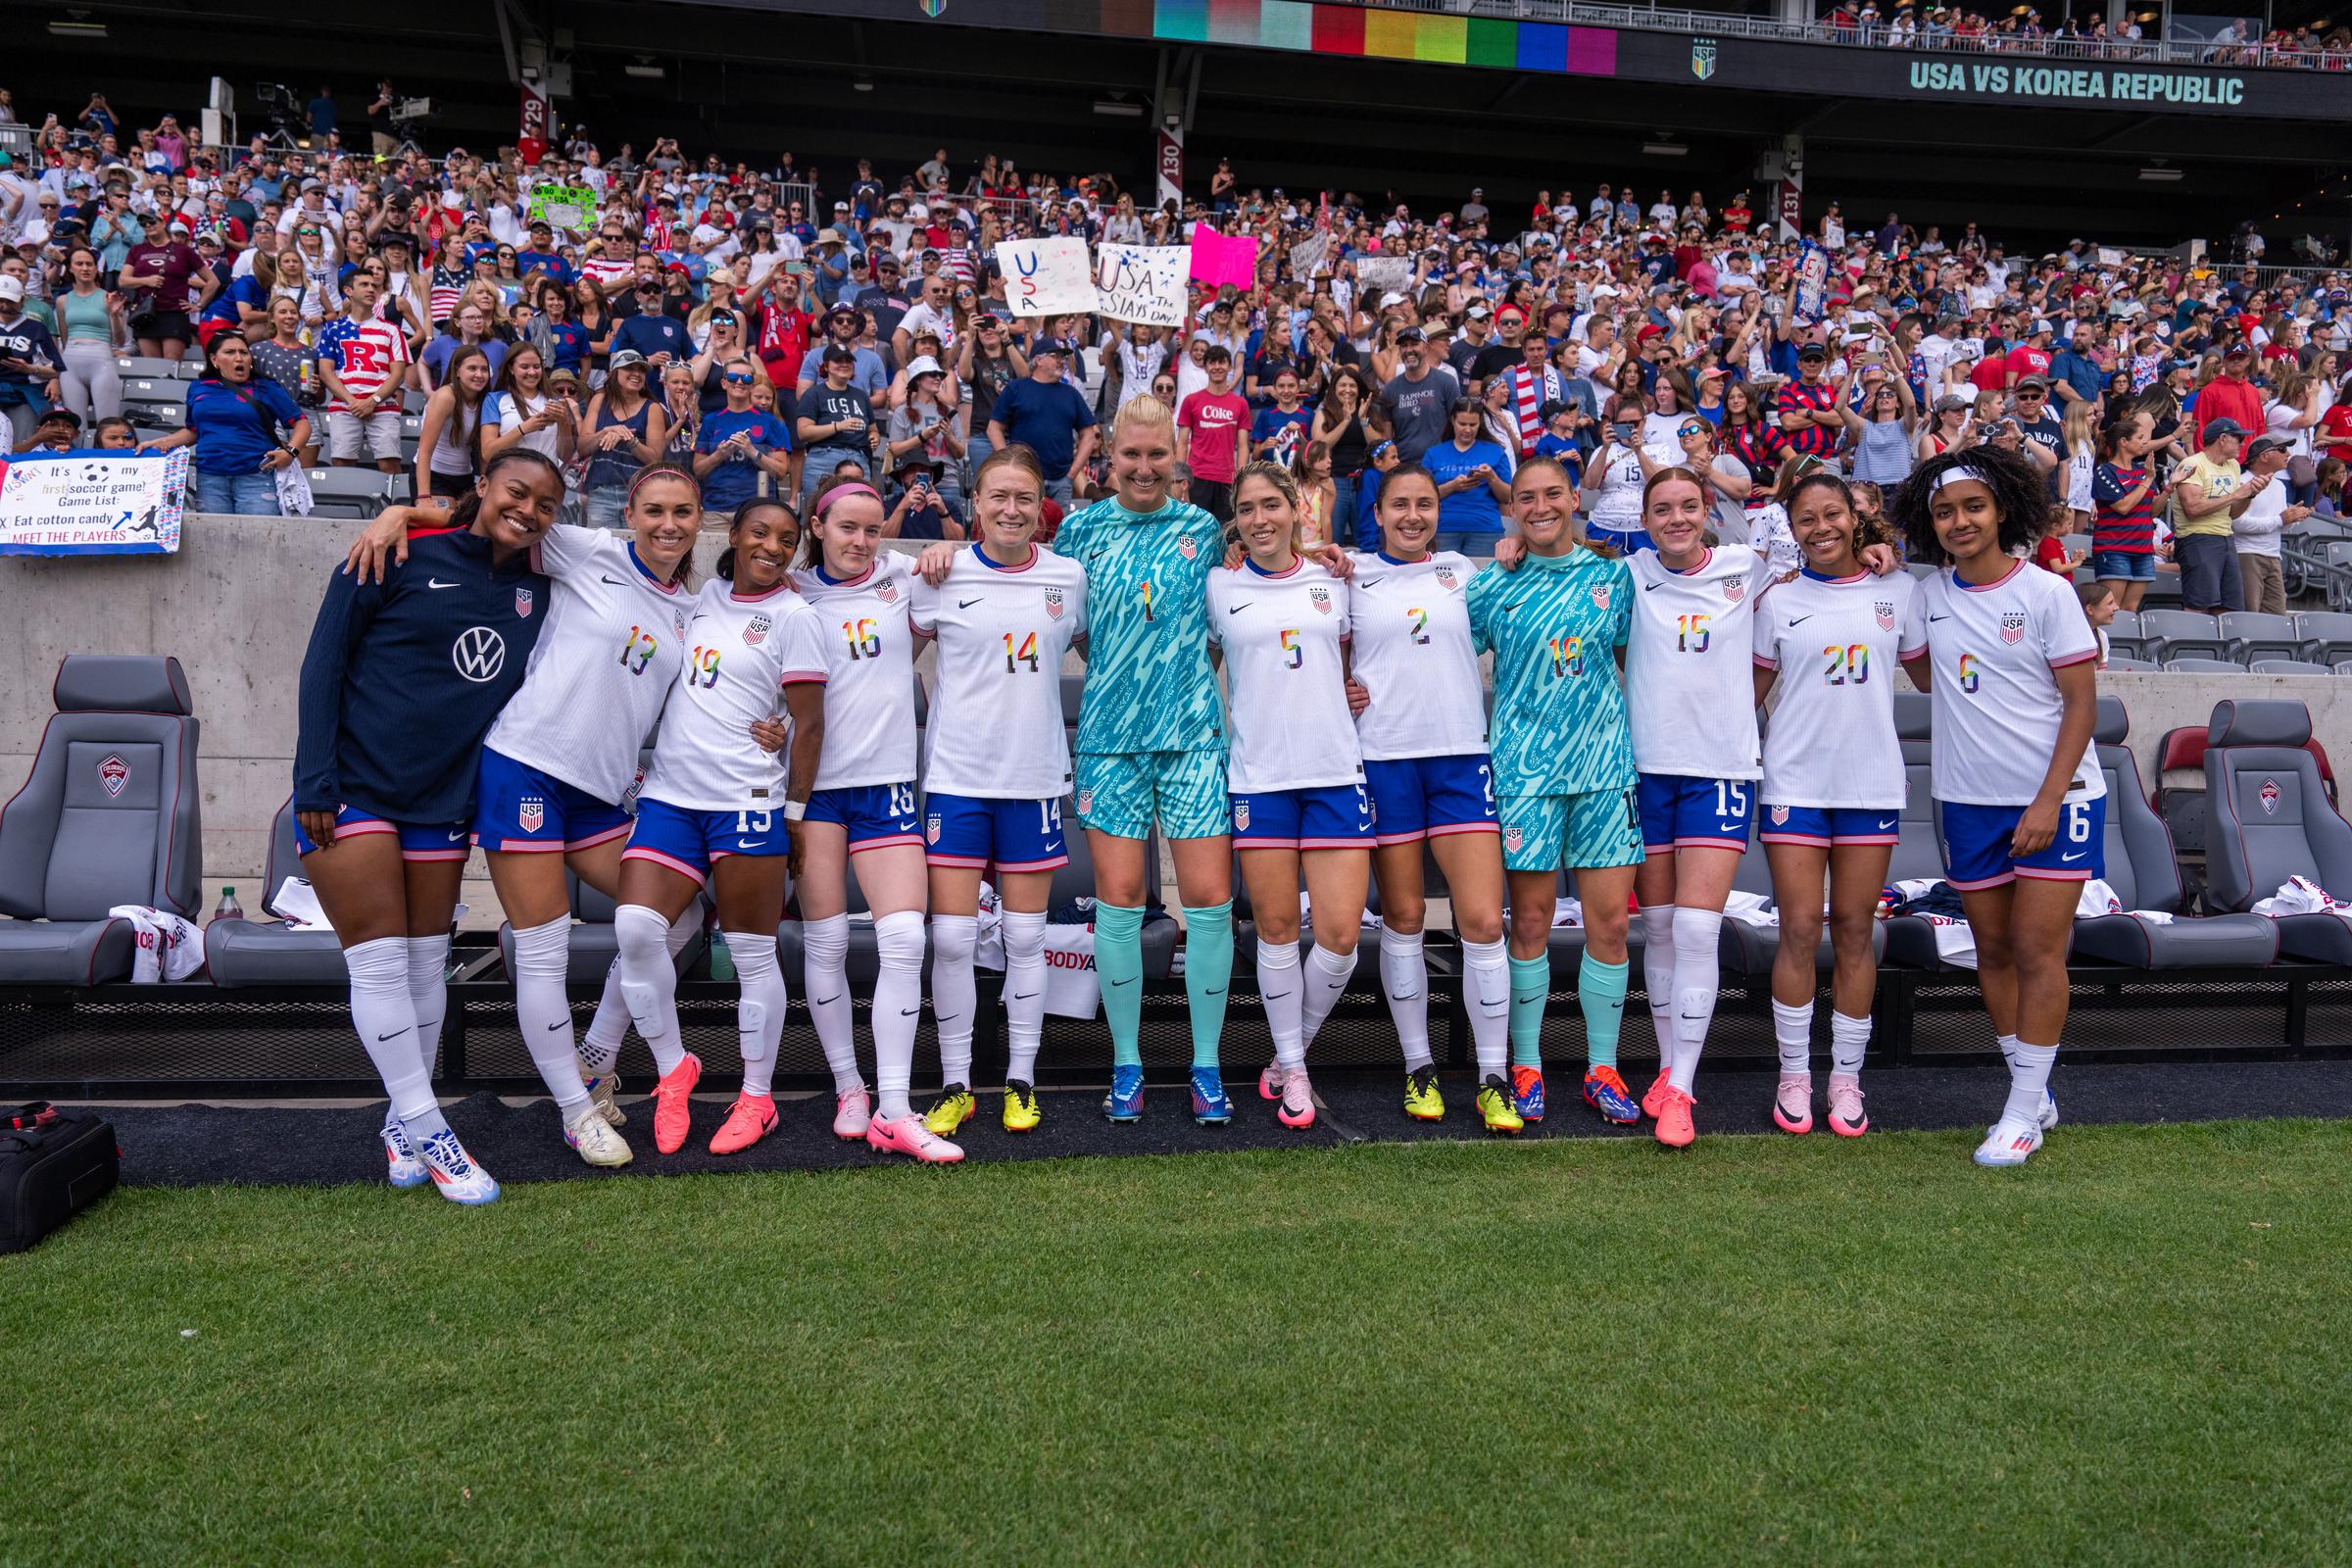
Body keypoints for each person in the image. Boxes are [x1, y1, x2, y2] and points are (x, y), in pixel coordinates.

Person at [345, 462, 711, 1168]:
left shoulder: (692, 611)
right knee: (545, 945)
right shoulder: (587, 551)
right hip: (525, 767)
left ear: (700, 521)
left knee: (679, 915)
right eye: (655, 509)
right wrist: (406, 515)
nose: (669, 525)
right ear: (630, 512)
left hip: (601, 796)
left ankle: (596, 1055)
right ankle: (577, 1112)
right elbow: (496, 519)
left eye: (685, 513)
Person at [919, 396, 1250, 1126]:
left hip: (1193, 738)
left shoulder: (1202, 528)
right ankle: (1127, 1063)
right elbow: (1064, 626)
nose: (1142, 467)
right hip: (1107, 743)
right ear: (1108, 461)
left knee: (1208, 903)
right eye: (1130, 455)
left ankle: (1205, 1066)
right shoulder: (1081, 534)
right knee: (1122, 901)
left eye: (1156, 455)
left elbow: (1238, 615)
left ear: (1178, 455)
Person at [292, 448, 562, 1203]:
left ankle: (398, 1125)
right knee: (377, 967)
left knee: (422, 969)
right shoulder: (395, 552)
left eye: (545, 503)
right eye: (516, 492)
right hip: (352, 790)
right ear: (481, 487)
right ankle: (431, 1128)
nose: (529, 510)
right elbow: (323, 664)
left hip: (443, 799)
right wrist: (314, 775)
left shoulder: (543, 586)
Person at [1893, 445, 2102, 1168]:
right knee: (1993, 951)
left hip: (2056, 800)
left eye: (1973, 507)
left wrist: (2047, 800)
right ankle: (2031, 1087)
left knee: (2040, 952)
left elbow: (2082, 705)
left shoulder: (2046, 593)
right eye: (1945, 511)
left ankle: (2018, 1113)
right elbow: (1924, 678)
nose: (1959, 522)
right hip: (1966, 801)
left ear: (2003, 510)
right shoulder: (1926, 597)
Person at [612, 497, 827, 1156]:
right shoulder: (697, 598)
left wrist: (791, 811)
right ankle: (674, 1070)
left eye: (786, 539)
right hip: (673, 797)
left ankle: (757, 1098)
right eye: (759, 532)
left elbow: (810, 723)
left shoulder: (795, 617)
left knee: (752, 953)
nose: (771, 546)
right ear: (732, 535)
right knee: (636, 929)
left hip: (747, 800)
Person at [906, 445, 1089, 1135]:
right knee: (951, 940)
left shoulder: (1069, 577)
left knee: (1025, 937)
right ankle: (956, 1082)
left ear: (1041, 508)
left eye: (1024, 497)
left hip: (1034, 780)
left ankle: (1021, 1079)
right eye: (997, 497)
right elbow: (887, 654)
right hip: (955, 780)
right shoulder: (936, 575)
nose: (1011, 509)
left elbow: (1102, 652)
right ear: (975, 505)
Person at [1341, 465, 1519, 1132]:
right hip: (1384, 759)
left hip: (1459, 758)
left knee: (1481, 920)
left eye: (1423, 505)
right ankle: (1418, 1067)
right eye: (1400, 506)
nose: (1413, 516)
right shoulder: (1350, 574)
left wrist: (1512, 545)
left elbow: (1547, 563)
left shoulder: (1464, 573)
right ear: (1378, 513)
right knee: (1405, 915)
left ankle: (1494, 1075)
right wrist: (1342, 684)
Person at [1469, 456, 1642, 1126]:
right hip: (1526, 777)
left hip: (1604, 775)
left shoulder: (1613, 580)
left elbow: (1638, 666)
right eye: (1525, 499)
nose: (1539, 507)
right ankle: (1527, 1064)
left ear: (1576, 499)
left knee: (1609, 925)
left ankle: (1602, 1068)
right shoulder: (1494, 584)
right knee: (1533, 924)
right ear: (1511, 508)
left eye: (1551, 495)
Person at [791, 472, 953, 1161]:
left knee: (905, 940)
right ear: (818, 527)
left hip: (886, 784)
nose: (860, 539)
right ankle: (849, 1085)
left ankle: (893, 1104)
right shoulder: (791, 595)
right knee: (825, 944)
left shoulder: (903, 578)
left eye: (871, 526)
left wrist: (947, 551)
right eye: (846, 526)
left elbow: (983, 566)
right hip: (816, 793)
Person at [1751, 471, 1917, 1142]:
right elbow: (1748, 693)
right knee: (1797, 929)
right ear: (1789, 531)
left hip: (1871, 783)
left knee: (1854, 930)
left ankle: (1844, 1078)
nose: (1820, 529)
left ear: (1857, 516)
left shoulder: (1899, 590)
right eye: (1804, 520)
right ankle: (1794, 1074)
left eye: (1831, 515)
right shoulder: (1777, 600)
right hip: (1794, 783)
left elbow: (1939, 676)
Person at [1205, 462, 1371, 1131]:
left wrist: (1355, 692)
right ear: (1237, 521)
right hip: (1259, 778)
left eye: (1271, 505)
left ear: (1296, 509)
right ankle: (1293, 1065)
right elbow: (1201, 666)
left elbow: (1361, 663)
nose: (1259, 519)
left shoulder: (1338, 577)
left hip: (1334, 772)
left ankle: (1289, 1047)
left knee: (1339, 937)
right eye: (1246, 509)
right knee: (1275, 930)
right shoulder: (1218, 587)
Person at [1624, 467, 1776, 1148]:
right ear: (1645, 517)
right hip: (1645, 770)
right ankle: (1665, 1067)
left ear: (1708, 509)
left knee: (1693, 929)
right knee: (1657, 927)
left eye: (1688, 506)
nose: (1676, 519)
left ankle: (1682, 1084)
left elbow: (1826, 558)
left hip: (1718, 769)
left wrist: (1872, 550)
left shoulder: (1750, 567)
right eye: (1663, 509)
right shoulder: (1627, 574)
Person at [140, 327, 309, 514]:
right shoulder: (198, 388)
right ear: (214, 360)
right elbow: (193, 430)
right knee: (213, 541)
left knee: (256, 540)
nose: (239, 358)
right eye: (230, 352)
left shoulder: (265, 387)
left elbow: (301, 423)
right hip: (210, 479)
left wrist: (290, 452)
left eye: (244, 352)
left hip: (256, 477)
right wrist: (161, 442)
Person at [317, 272, 411, 476]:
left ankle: (394, 507)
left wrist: (373, 400)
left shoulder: (391, 330)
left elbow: (398, 374)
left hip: (383, 405)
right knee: (342, 464)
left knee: (390, 465)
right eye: (364, 284)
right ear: (348, 291)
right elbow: (325, 371)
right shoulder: (333, 329)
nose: (371, 289)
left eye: (374, 286)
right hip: (345, 405)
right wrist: (353, 401)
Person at [2166, 416, 2254, 617]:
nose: (2243, 443)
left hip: (2226, 538)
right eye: (2238, 438)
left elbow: (2233, 513)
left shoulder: (2233, 465)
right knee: (2199, 606)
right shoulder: (2192, 464)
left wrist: (2250, 494)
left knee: (2229, 608)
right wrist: (2235, 495)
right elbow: (2192, 509)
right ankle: (2194, 647)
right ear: (2222, 438)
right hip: (2198, 538)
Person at [693, 354, 794, 514]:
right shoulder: (711, 420)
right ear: (724, 383)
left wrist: (753, 452)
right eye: (733, 377)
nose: (739, 382)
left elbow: (781, 472)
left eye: (746, 378)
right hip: (716, 507)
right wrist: (719, 455)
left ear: (752, 385)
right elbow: (698, 470)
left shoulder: (771, 422)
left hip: (756, 508)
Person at [580, 349, 668, 526]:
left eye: (641, 370)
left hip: (637, 494)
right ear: (613, 374)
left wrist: (630, 440)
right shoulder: (599, 400)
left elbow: (655, 459)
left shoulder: (652, 408)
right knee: (601, 550)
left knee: (636, 550)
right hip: (601, 492)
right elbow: (582, 447)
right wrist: (606, 432)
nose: (636, 374)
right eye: (629, 368)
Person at [2090, 411, 2165, 612]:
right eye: (2140, 438)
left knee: (2130, 610)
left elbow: (2152, 513)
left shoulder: (2143, 470)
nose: (2145, 442)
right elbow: (2123, 507)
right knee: (2112, 609)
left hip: (2142, 549)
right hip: (2114, 548)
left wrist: (2168, 489)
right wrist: (2148, 480)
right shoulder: (2105, 471)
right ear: (2123, 442)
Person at [1422, 398, 1513, 556]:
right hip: (1443, 528)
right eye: (1462, 424)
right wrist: (1452, 486)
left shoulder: (1495, 451)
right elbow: (1422, 496)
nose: (1467, 430)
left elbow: (1508, 497)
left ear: (1480, 423)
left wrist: (1491, 478)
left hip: (1485, 528)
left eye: (1473, 425)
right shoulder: (1434, 454)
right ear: (1453, 420)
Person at [797, 342, 881, 505]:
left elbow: (873, 429)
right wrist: (838, 426)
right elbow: (803, 432)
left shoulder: (861, 396)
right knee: (818, 508)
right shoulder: (814, 394)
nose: (844, 364)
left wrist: (874, 437)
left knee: (858, 509)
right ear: (826, 366)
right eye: (838, 361)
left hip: (858, 459)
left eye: (848, 361)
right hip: (823, 459)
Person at [51, 246, 123, 425]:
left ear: (96, 268)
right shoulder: (63, 301)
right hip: (71, 364)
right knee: (74, 426)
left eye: (89, 264)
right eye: (79, 263)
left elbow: (120, 341)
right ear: (70, 268)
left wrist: (114, 314)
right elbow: (64, 338)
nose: (85, 268)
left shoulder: (108, 297)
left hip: (101, 360)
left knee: (107, 423)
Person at [1176, 345, 1250, 521]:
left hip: (1227, 479)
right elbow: (1181, 442)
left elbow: (1244, 445)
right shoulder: (1191, 401)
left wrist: (1240, 478)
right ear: (1205, 367)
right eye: (1212, 362)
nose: (1217, 367)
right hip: (1197, 476)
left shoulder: (1240, 404)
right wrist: (1179, 478)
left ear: (1230, 367)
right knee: (1194, 530)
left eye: (1222, 362)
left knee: (1225, 534)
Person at [2234, 431, 2302, 614]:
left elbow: (2280, 525)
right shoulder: (2242, 482)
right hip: (2247, 555)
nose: (2288, 454)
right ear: (2264, 456)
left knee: (2277, 618)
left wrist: (2293, 518)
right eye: (2282, 449)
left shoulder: (2279, 486)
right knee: (2249, 615)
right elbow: (2236, 523)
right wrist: (2281, 519)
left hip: (2273, 556)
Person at [413, 343, 491, 502]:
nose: (479, 374)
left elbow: (484, 453)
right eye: (472, 368)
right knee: (445, 518)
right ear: (457, 371)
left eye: (484, 369)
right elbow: (425, 451)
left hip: (465, 478)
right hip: (434, 476)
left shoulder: (486, 399)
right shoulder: (446, 397)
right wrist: (424, 497)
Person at [482, 344, 578, 467]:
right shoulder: (494, 400)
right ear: (511, 369)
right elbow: (487, 453)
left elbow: (565, 456)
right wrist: (524, 428)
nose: (532, 372)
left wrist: (564, 421)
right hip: (512, 479)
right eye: (524, 367)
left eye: (537, 367)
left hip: (547, 479)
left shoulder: (555, 401)